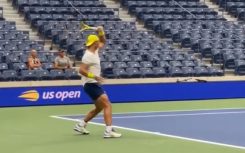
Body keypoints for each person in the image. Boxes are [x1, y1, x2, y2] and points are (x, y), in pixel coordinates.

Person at [74, 26, 122, 138]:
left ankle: (81, 125)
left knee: (99, 108)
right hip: (90, 84)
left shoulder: (95, 50)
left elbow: (103, 41)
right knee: (107, 105)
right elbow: (81, 70)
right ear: (94, 43)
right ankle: (108, 131)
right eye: (97, 41)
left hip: (91, 84)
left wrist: (101, 31)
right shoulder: (88, 56)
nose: (99, 43)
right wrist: (95, 76)